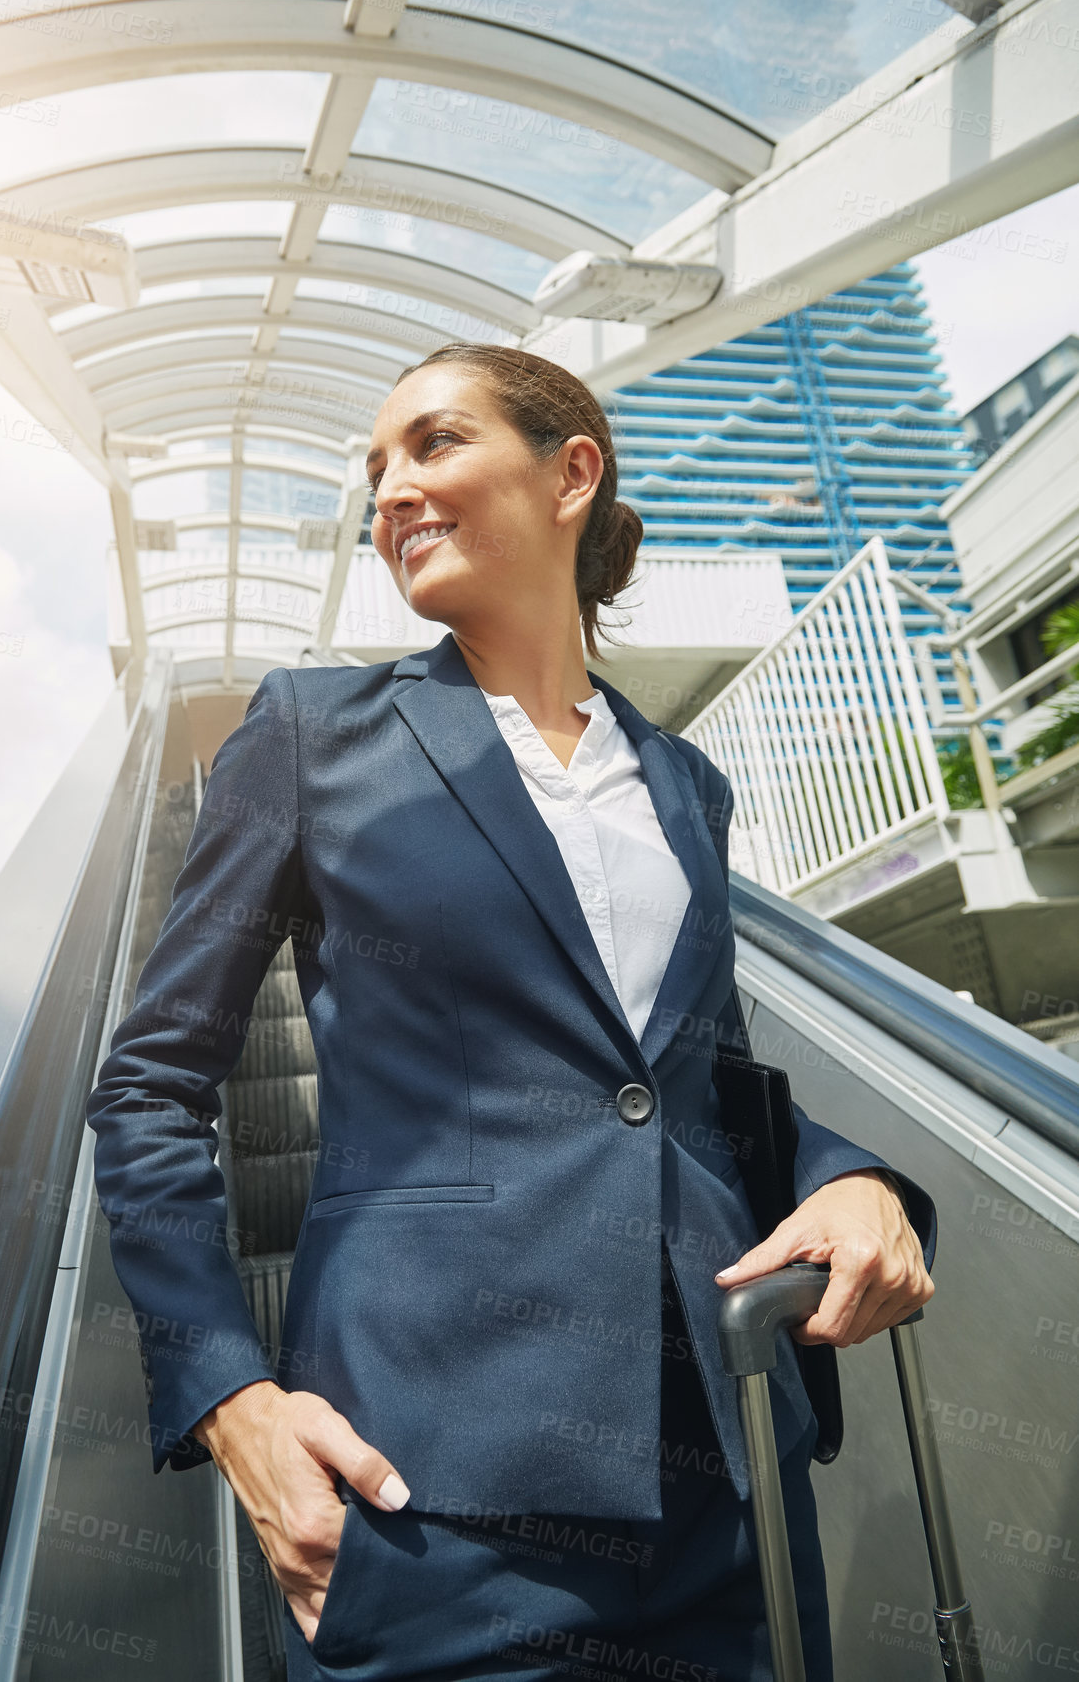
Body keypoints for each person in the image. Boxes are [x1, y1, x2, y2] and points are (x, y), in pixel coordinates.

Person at [86, 344, 936, 1681]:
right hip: (430, 1492)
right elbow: (147, 1086)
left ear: (569, 474)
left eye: (432, 445)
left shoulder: (684, 785)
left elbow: (698, 1086)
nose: (393, 493)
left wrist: (855, 1180)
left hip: (723, 1469)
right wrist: (230, 1399)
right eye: (376, 472)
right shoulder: (311, 735)